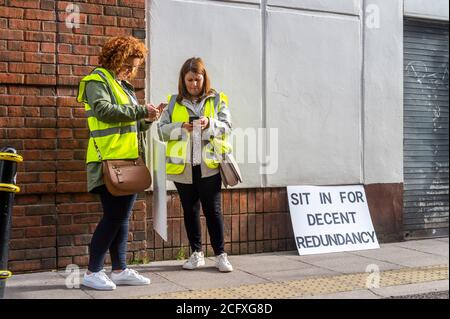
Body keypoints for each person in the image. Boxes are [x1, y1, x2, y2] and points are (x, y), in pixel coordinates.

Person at [76, 36, 162, 290]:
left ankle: (119, 269)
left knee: (121, 217)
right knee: (113, 217)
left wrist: (148, 119)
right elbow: (103, 111)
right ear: (115, 57)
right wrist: (140, 111)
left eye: (133, 66)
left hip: (128, 160)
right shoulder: (95, 81)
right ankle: (92, 272)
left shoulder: (122, 85)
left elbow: (133, 124)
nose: (129, 70)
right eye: (127, 64)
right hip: (107, 160)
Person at [158, 57, 233, 272]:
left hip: (208, 164)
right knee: (190, 211)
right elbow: (161, 131)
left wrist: (210, 123)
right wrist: (181, 127)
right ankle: (196, 254)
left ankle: (220, 255)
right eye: (189, 80)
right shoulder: (173, 102)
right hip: (183, 167)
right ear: (183, 80)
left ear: (204, 78)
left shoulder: (217, 100)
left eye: (197, 79)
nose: (194, 84)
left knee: (213, 210)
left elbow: (227, 126)